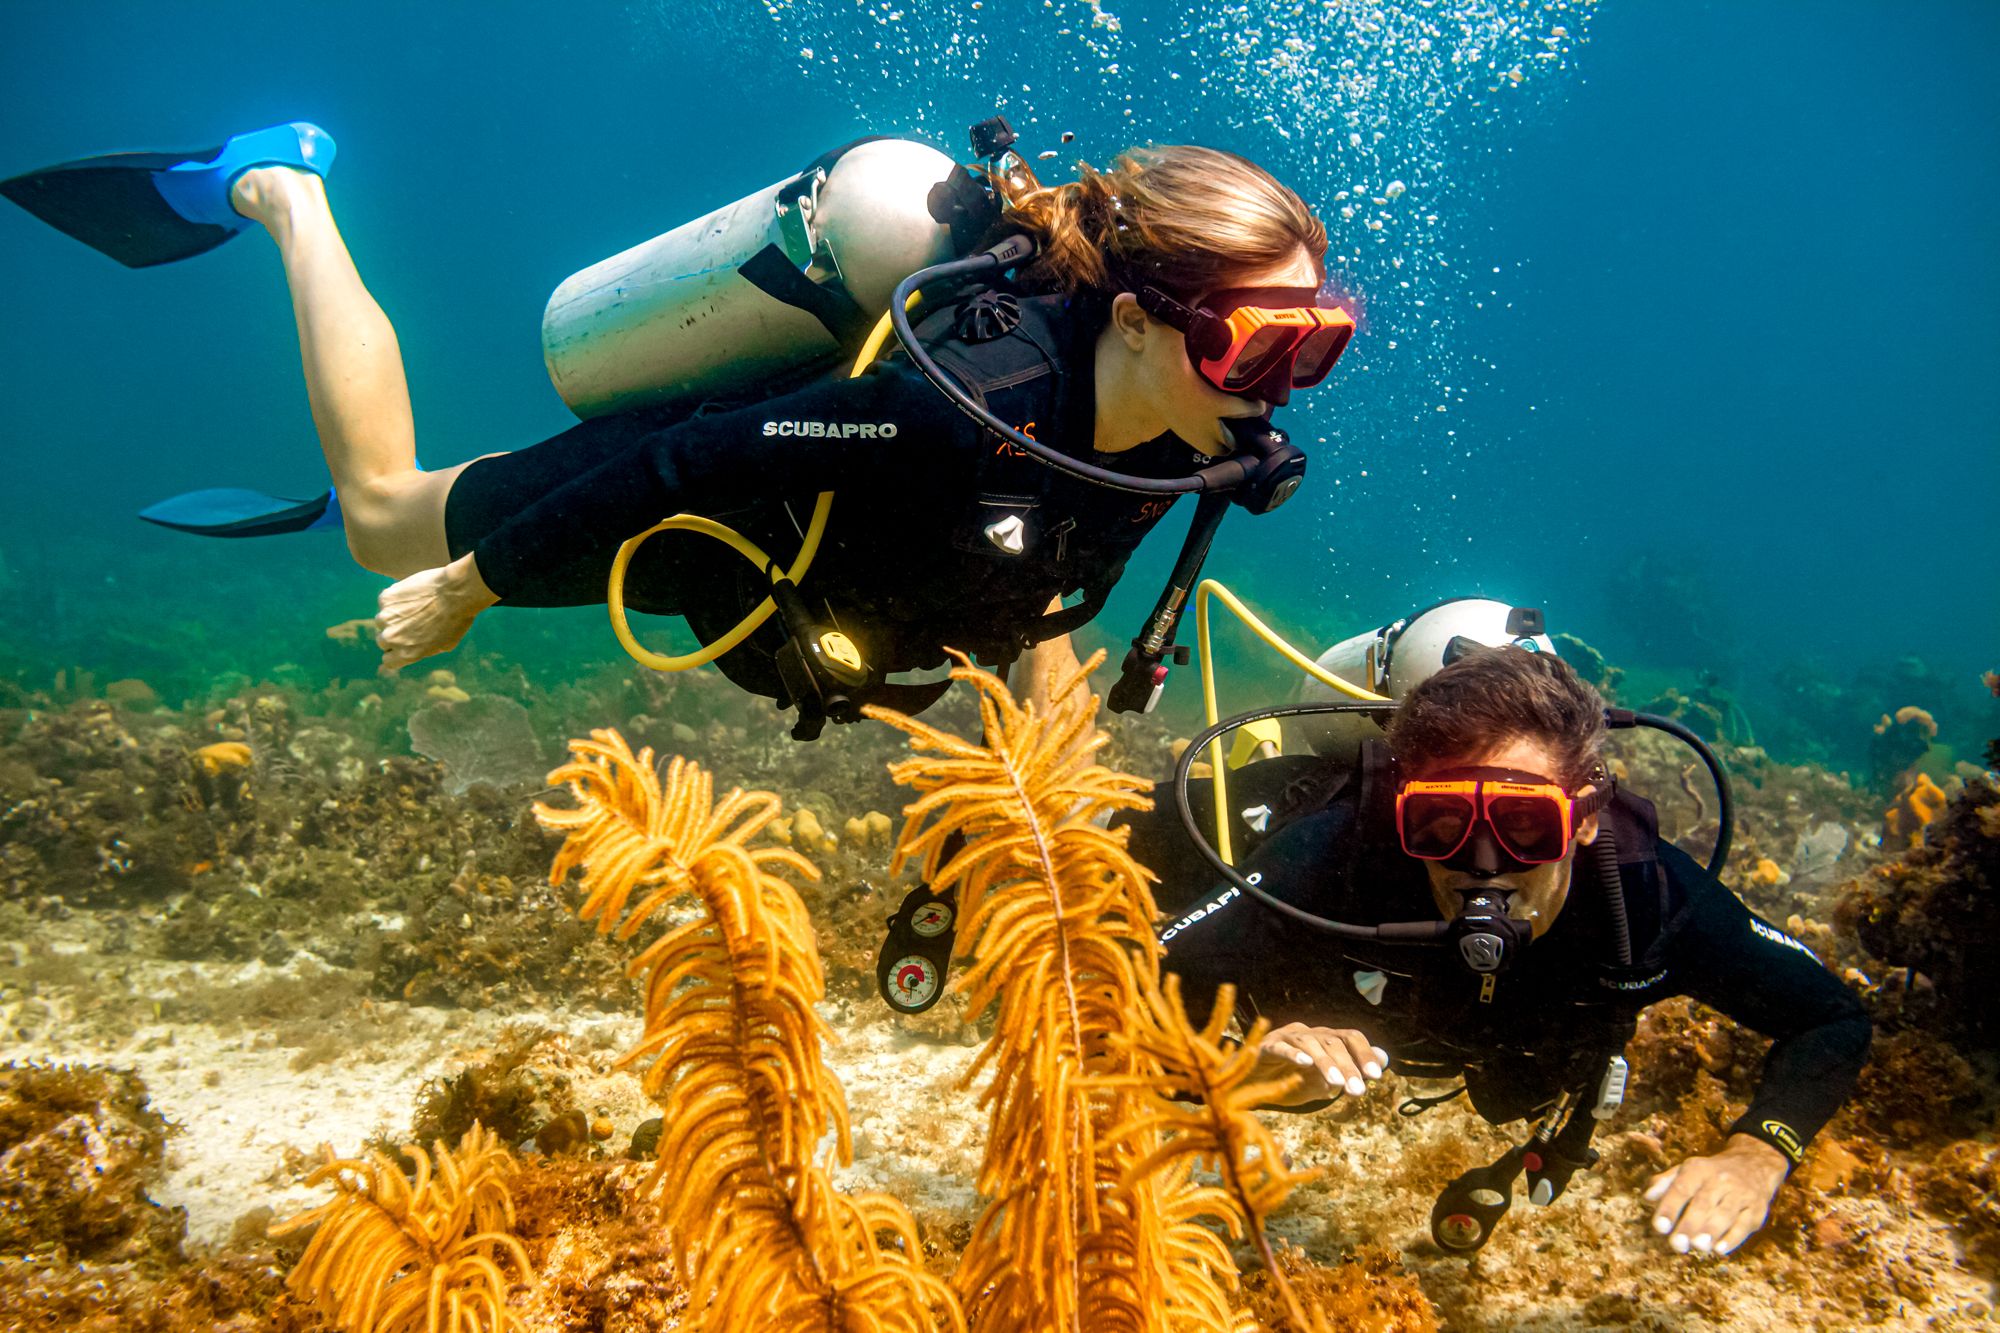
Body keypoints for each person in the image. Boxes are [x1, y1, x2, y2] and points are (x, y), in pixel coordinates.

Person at [1, 123, 1352, 730]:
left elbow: (1055, 562)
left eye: (1316, 346)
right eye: (1257, 341)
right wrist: (470, 591)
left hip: (816, 590)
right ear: (1130, 319)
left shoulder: (1198, 430)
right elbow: (679, 463)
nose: (1279, 385)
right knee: (377, 520)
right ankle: (283, 190)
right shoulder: (952, 412)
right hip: (701, 513)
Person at [1132, 646, 1871, 1258]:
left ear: (1584, 819)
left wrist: (1758, 1150)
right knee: (1138, 829)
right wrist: (1232, 1070)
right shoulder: (1335, 852)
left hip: (1504, 1050)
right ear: (1401, 814)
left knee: (1512, 1091)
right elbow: (1148, 983)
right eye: (1440, 822)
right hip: (1336, 988)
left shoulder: (1648, 898)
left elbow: (1831, 1017)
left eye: (1524, 824)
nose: (1483, 863)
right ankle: (1253, 773)